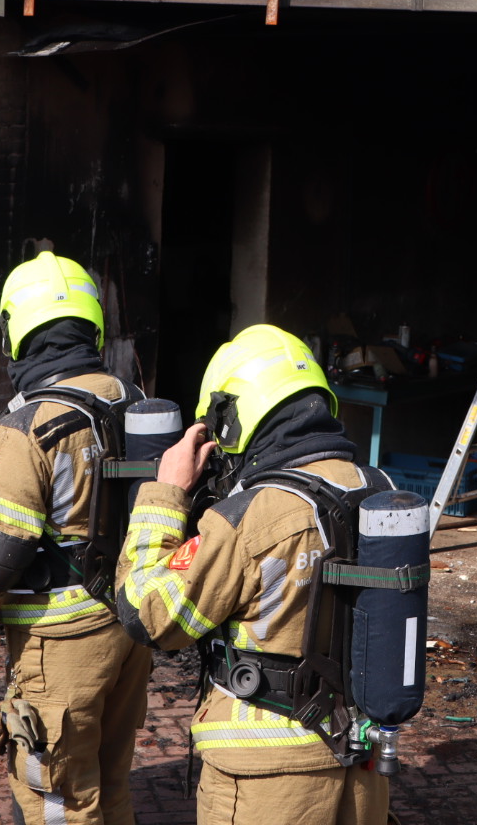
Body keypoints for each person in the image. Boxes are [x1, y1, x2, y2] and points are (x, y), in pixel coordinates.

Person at [116, 324, 393, 825]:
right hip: (361, 762)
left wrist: (165, 493)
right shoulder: (377, 489)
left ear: (232, 419)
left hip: (266, 774)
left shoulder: (248, 517)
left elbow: (148, 616)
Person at [0, 251, 152, 825]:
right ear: (91, 325)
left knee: (59, 799)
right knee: (111, 782)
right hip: (129, 626)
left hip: (62, 640)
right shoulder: (132, 401)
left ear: (16, 333)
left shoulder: (25, 427)